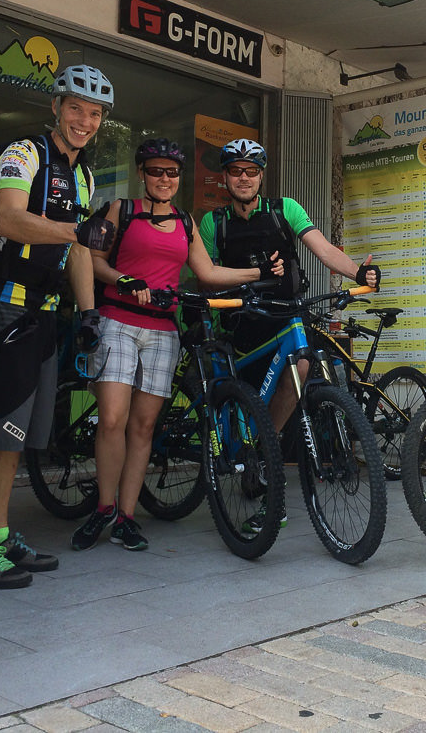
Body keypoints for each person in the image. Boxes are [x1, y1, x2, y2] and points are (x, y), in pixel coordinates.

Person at [70, 138, 284, 552]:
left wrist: (258, 272)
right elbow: (92, 259)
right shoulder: (123, 210)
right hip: (118, 320)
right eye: (155, 171)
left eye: (171, 172)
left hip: (164, 329)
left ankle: (127, 517)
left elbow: (206, 270)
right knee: (113, 418)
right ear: (142, 174)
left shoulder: (186, 222)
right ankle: (103, 507)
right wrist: (122, 280)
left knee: (145, 425)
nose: (164, 179)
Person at [0, 65, 117, 589]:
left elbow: (78, 250)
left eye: (94, 114)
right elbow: (9, 218)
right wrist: (77, 228)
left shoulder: (84, 175)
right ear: (56, 107)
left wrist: (89, 313)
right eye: (75, 108)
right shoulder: (23, 154)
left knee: (12, 432)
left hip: (42, 313)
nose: (83, 121)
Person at [197, 138, 379, 533]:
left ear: (261, 176)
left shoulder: (284, 210)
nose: (244, 178)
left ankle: (266, 450)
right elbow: (208, 276)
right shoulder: (215, 223)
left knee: (300, 364)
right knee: (242, 395)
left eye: (251, 171)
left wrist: (357, 274)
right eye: (235, 171)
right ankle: (252, 447)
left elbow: (323, 249)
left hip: (284, 315)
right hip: (242, 322)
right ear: (225, 178)